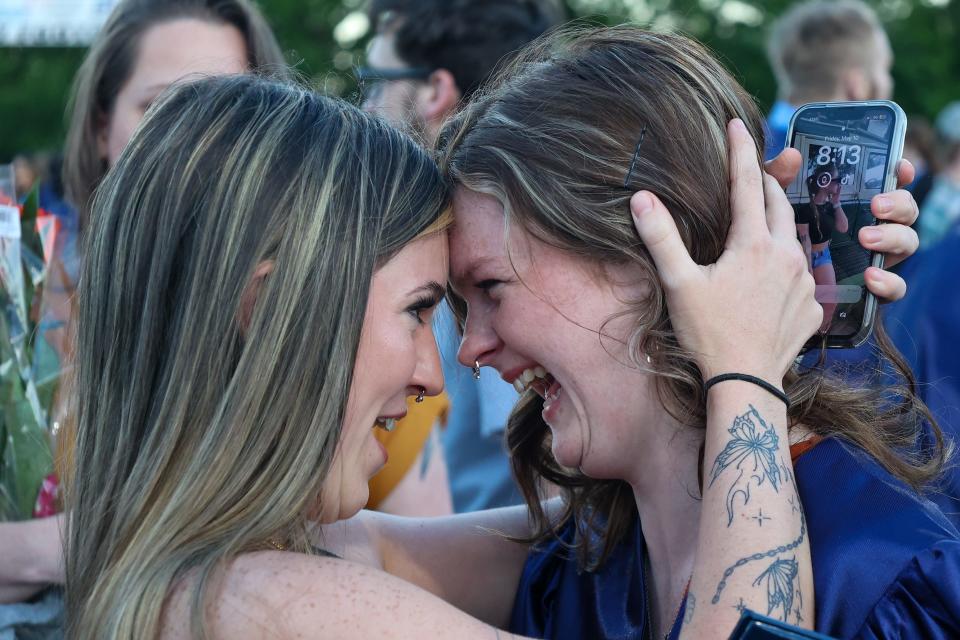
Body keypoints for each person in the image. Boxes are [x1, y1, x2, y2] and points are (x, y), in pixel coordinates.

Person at [67, 72, 809, 640]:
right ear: (266, 311)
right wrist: (744, 366)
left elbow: (566, 547)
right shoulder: (263, 604)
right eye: (421, 309)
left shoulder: (213, 580)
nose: (436, 372)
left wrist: (777, 281)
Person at [439, 26, 959, 639]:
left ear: (651, 255)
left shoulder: (883, 576)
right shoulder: (581, 562)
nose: (470, 347)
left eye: (492, 287)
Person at [0, 0, 286, 610]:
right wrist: (52, 547)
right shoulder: (17, 302)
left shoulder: (305, 307)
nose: (197, 142)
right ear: (102, 129)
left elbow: (408, 534)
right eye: (164, 109)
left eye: (231, 109)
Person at [360, 0, 562, 513]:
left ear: (434, 91)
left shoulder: (476, 251)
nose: (367, 106)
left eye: (377, 80)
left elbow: (554, 473)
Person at [765, 0, 893, 161]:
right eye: (885, 68)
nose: (888, 81)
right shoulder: (847, 168)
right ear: (858, 85)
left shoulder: (743, 141)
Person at [795, 162, 850, 331]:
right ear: (824, 181)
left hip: (825, 255)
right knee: (816, 301)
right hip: (812, 257)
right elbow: (806, 242)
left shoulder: (830, 206)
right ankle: (810, 335)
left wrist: (837, 202)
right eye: (837, 179)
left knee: (829, 302)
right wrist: (809, 269)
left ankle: (821, 335)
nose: (839, 184)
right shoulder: (805, 209)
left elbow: (843, 227)